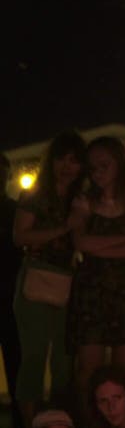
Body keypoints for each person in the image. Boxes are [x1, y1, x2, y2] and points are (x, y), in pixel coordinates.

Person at [67, 136, 125, 415]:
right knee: (88, 366)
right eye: (92, 168)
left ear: (119, 163)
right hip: (92, 291)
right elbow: (80, 242)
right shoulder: (84, 201)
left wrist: (101, 248)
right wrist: (123, 241)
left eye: (104, 165)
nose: (98, 173)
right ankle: (88, 421)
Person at [13, 131, 87, 427]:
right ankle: (31, 421)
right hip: (36, 281)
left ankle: (59, 420)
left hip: (70, 283)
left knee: (63, 362)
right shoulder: (35, 195)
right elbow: (20, 236)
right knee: (33, 357)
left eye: (73, 160)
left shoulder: (81, 198)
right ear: (51, 161)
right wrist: (64, 228)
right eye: (61, 159)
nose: (66, 166)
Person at [1, 153, 24, 428]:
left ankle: (21, 420)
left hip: (13, 302)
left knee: (17, 368)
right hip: (11, 299)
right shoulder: (14, 210)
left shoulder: (15, 211)